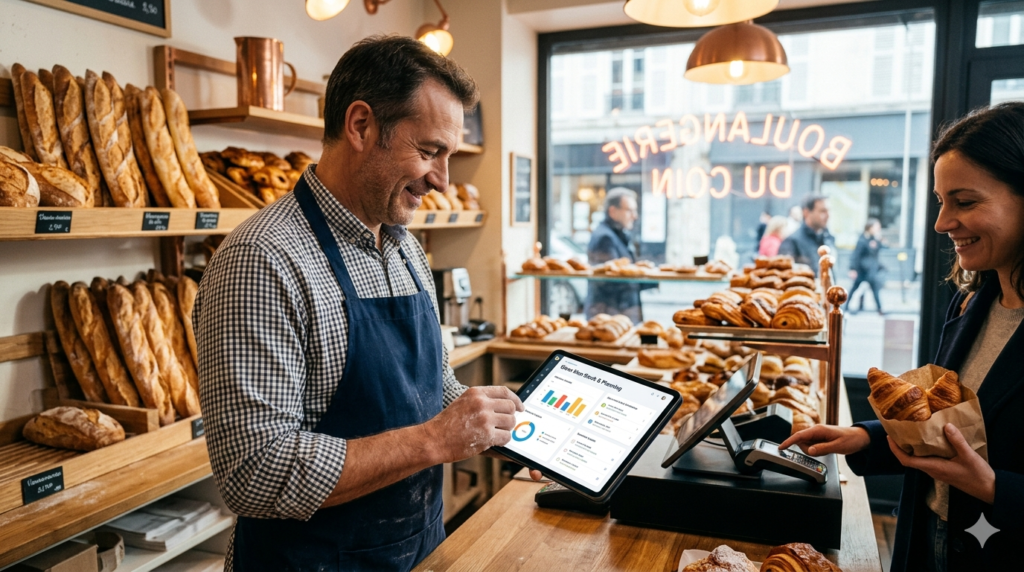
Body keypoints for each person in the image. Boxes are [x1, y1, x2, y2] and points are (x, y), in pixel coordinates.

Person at [195, 36, 537, 572]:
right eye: (429, 152)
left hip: (417, 551)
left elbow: (428, 389)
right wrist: (432, 441)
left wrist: (490, 426)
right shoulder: (262, 259)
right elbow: (253, 473)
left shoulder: (403, 248)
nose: (442, 180)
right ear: (361, 126)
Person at [781, 103, 1024, 572]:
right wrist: (863, 437)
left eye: (965, 202)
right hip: (926, 538)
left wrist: (995, 488)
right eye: (941, 201)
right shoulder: (973, 301)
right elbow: (945, 426)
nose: (941, 223)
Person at [584, 188, 653, 322]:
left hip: (618, 315)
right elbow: (612, 280)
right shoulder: (604, 237)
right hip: (610, 317)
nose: (635, 216)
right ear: (613, 211)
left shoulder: (618, 235)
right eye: (629, 210)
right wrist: (649, 277)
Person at [778, 195, 835, 274]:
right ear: (806, 212)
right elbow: (784, 276)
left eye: (829, 211)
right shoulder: (792, 241)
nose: (828, 215)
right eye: (823, 211)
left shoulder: (828, 238)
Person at [848, 218, 886, 314]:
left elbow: (883, 247)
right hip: (862, 270)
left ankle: (879, 309)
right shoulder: (862, 239)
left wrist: (879, 240)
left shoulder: (875, 239)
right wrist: (853, 269)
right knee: (855, 288)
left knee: (875, 289)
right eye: (876, 227)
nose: (878, 229)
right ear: (870, 227)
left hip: (871, 270)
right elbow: (856, 255)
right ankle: (846, 306)